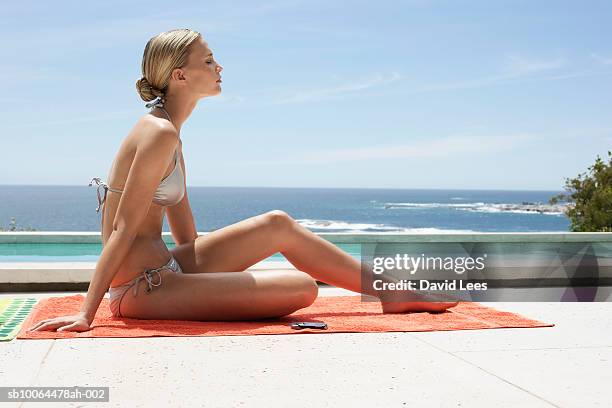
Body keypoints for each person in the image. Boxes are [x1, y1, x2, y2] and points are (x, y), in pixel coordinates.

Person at [28, 29, 457, 333]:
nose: (219, 67)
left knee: (277, 223)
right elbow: (121, 229)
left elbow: (186, 235)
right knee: (302, 287)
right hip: (141, 289)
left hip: (168, 268)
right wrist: (89, 312)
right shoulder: (158, 133)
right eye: (208, 60)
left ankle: (392, 293)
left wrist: (218, 272)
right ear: (180, 75)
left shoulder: (170, 130)